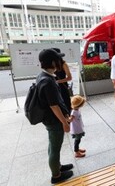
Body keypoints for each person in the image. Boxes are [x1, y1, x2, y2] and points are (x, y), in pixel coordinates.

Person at [36, 49, 73, 184]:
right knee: (55, 147)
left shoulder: (43, 76)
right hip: (54, 120)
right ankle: (56, 176)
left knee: (53, 145)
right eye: (58, 59)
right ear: (53, 62)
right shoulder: (48, 81)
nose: (60, 62)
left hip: (51, 119)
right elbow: (53, 106)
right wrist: (64, 122)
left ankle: (58, 166)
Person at [52, 48, 72, 113]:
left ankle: (68, 120)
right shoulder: (51, 65)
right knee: (57, 105)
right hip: (54, 88)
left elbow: (69, 77)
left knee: (66, 104)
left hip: (63, 87)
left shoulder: (63, 64)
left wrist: (58, 81)